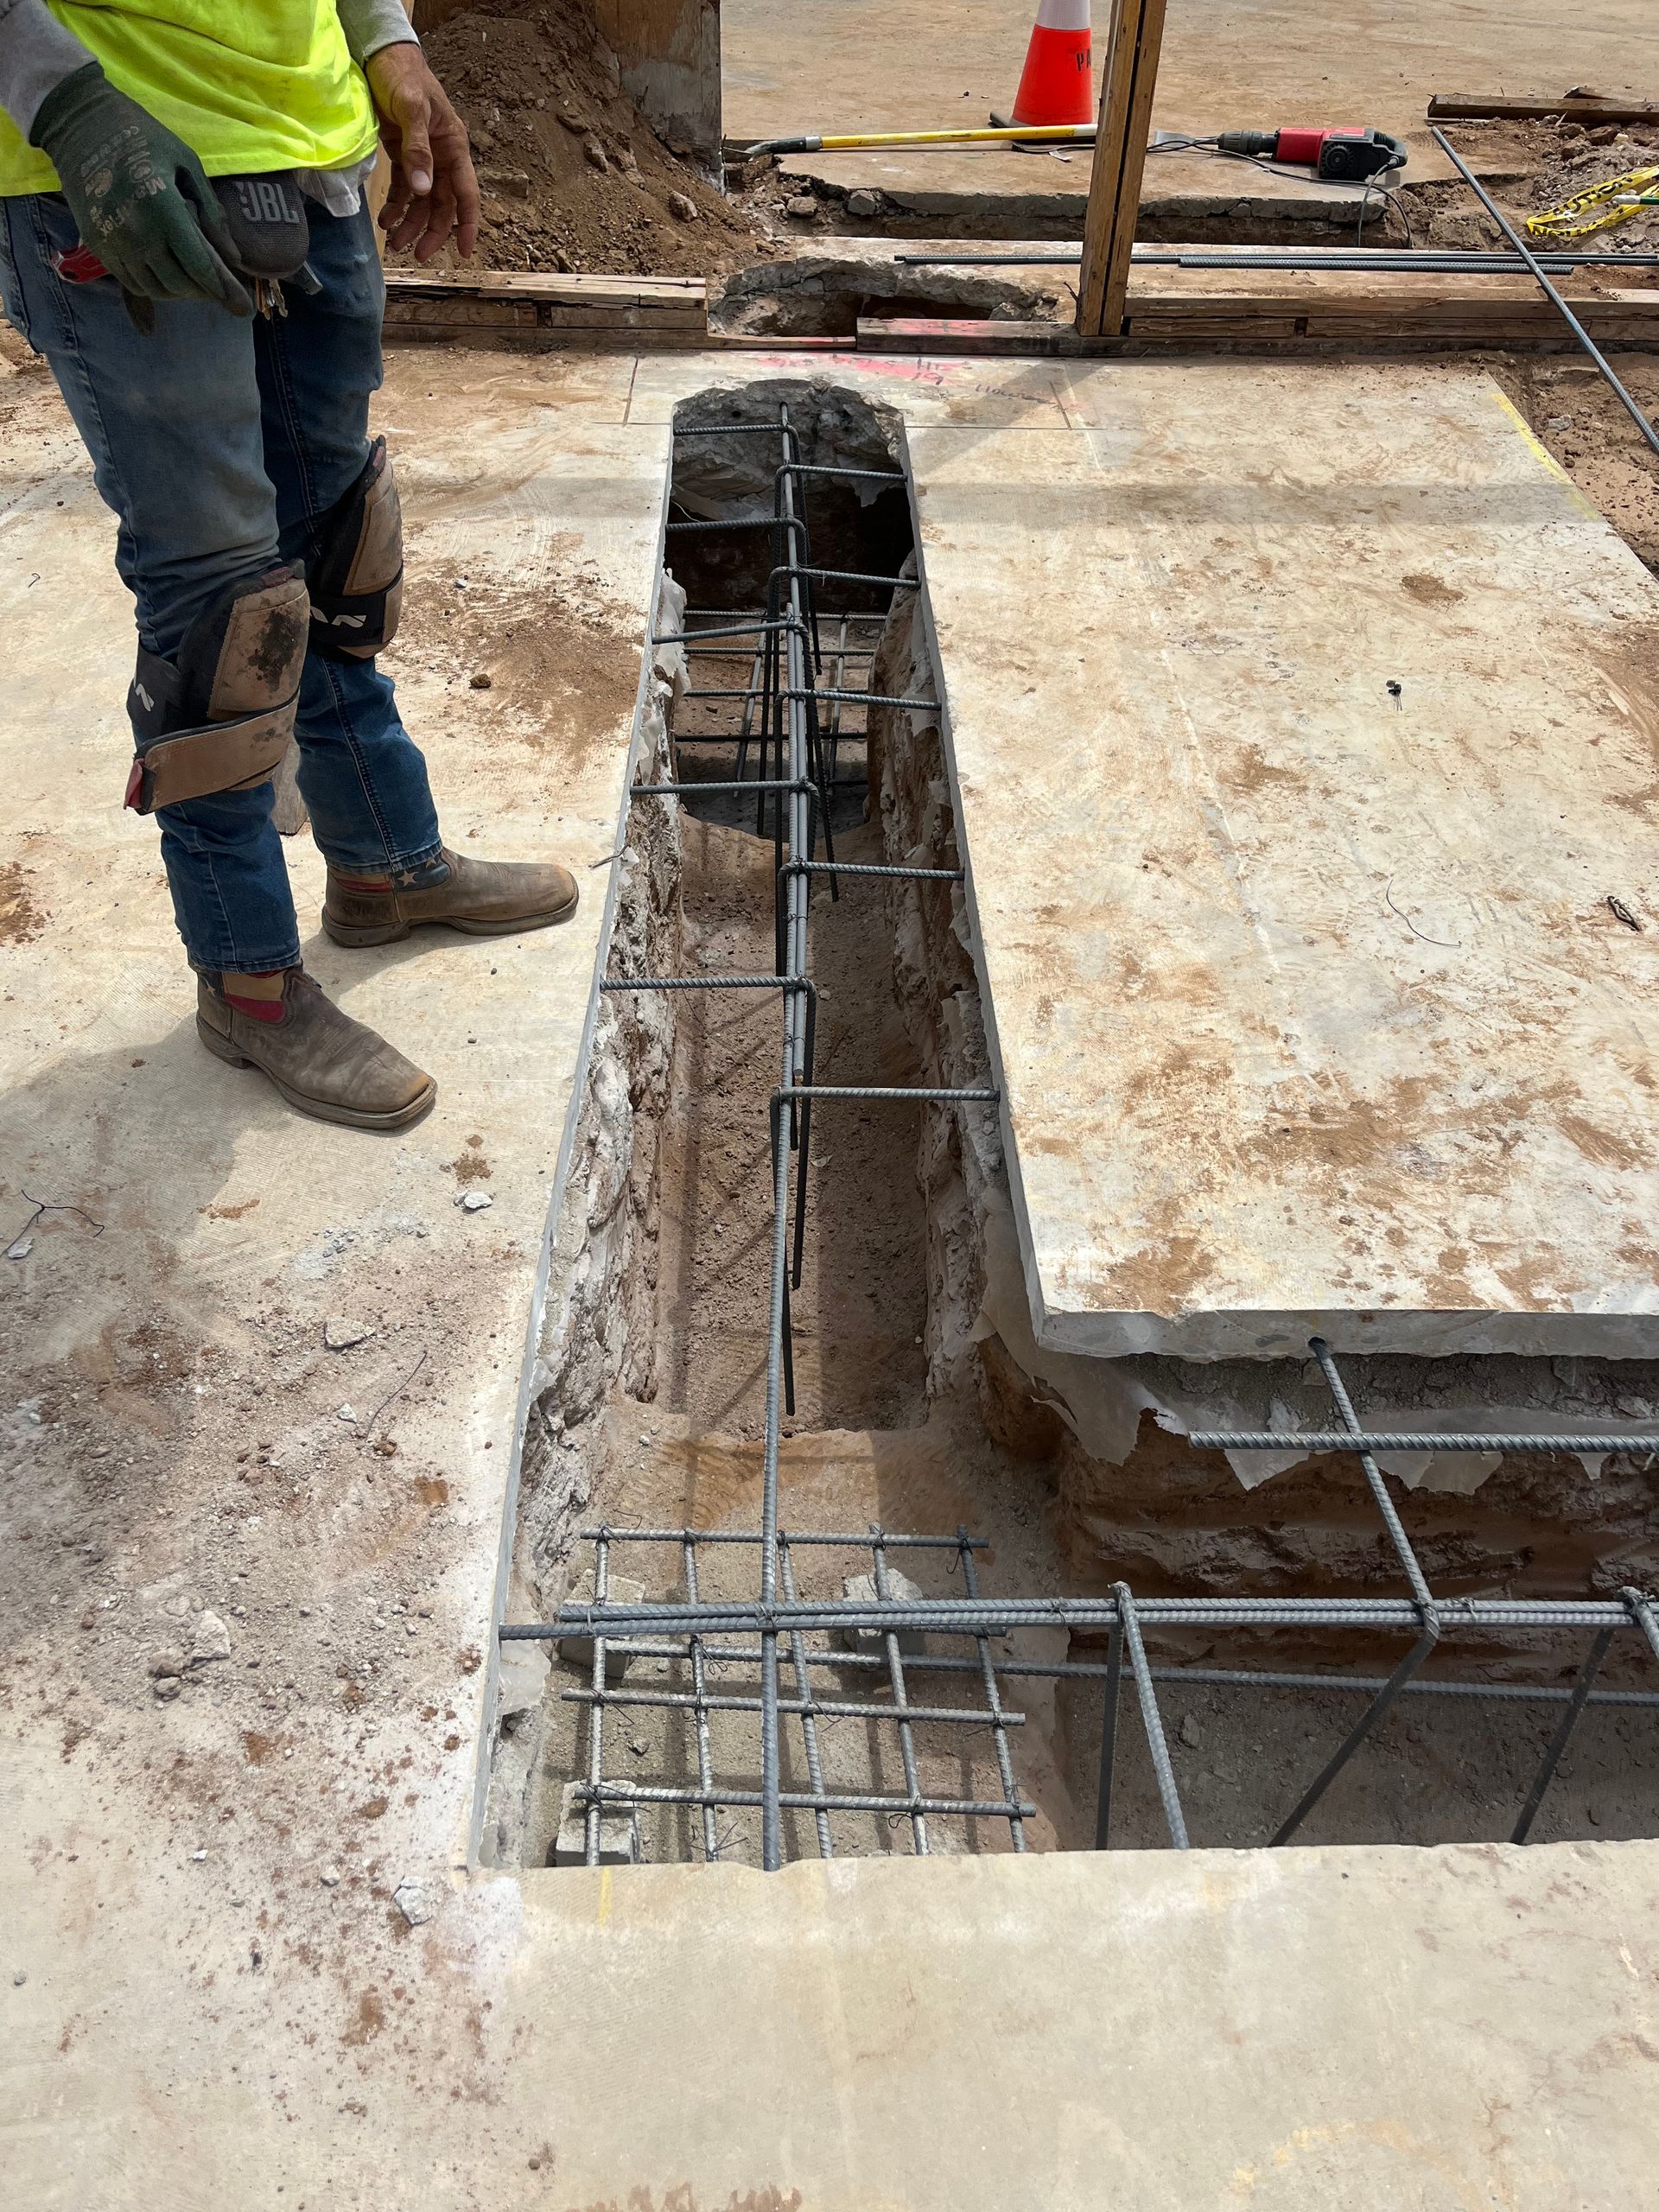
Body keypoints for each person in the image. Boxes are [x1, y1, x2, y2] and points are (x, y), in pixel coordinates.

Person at [0, 1, 579, 1132]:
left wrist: (386, 38)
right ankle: (249, 983)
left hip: (309, 150)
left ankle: (384, 866)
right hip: (116, 159)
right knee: (221, 606)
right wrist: (64, 102)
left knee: (337, 548)